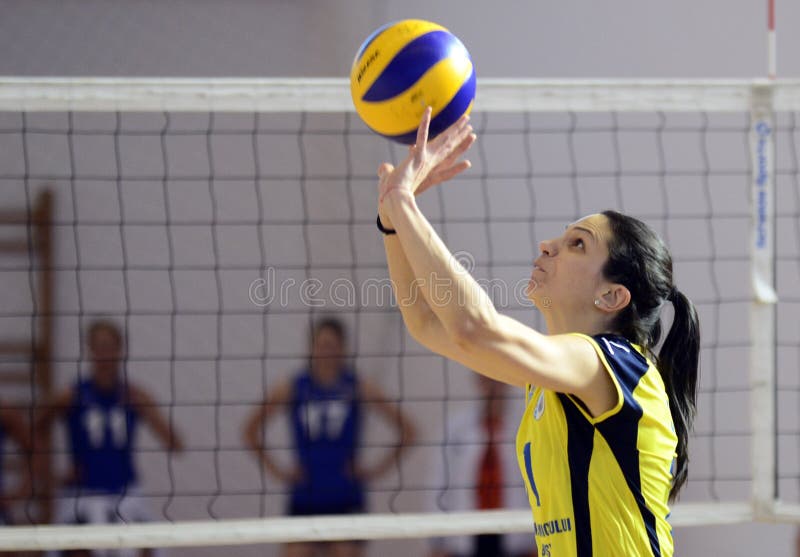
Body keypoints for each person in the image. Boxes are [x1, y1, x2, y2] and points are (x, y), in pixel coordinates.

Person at [375, 108, 699, 557]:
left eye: (577, 243)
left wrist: (407, 203)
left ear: (611, 296)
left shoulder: (618, 364)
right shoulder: (553, 378)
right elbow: (427, 324)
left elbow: (473, 327)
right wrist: (392, 218)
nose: (548, 245)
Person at [243, 317, 416, 557]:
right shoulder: (294, 386)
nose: (327, 351)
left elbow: (409, 431)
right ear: (311, 347)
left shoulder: (358, 386)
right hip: (305, 496)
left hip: (346, 496)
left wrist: (374, 471)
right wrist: (278, 471)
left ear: (343, 349)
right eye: (322, 345)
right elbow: (250, 430)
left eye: (332, 345)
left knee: (344, 551)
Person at [38, 319, 184, 557]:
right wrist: (51, 473)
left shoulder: (134, 395)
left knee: (155, 549)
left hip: (126, 493)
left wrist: (148, 409)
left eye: (111, 347)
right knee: (66, 549)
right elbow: (36, 429)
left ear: (120, 350)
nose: (105, 354)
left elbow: (176, 445)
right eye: (99, 347)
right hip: (82, 495)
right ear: (90, 350)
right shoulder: (71, 395)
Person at [428, 375, 536, 557]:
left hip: (517, 535)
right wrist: (435, 542)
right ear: (478, 380)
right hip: (466, 533)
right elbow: (437, 486)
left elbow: (540, 486)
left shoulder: (528, 425)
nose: (494, 384)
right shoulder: (456, 427)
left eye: (499, 377)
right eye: (487, 378)